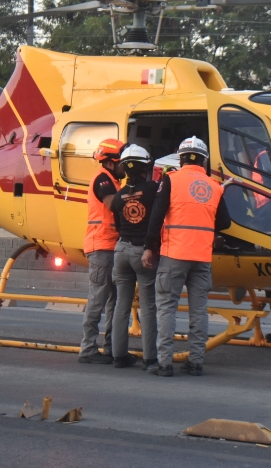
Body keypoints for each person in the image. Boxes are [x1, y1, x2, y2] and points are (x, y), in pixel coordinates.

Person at [142, 136, 231, 377]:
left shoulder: (171, 180)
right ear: (204, 161)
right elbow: (225, 222)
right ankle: (195, 362)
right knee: (199, 310)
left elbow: (157, 215)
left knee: (167, 308)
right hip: (201, 257)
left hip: (174, 254)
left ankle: (165, 363)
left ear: (180, 159)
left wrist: (149, 246)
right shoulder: (214, 186)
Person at [110, 144, 158, 370]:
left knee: (122, 304)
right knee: (148, 306)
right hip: (143, 252)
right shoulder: (152, 189)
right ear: (145, 167)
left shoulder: (118, 196)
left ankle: (118, 356)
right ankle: (150, 358)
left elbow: (118, 225)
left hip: (121, 250)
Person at [78, 138, 125, 364]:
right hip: (101, 246)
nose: (126, 167)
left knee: (114, 300)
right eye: (123, 162)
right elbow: (114, 205)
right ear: (111, 162)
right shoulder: (103, 180)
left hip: (111, 245)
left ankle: (110, 348)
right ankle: (88, 348)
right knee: (98, 298)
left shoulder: (113, 181)